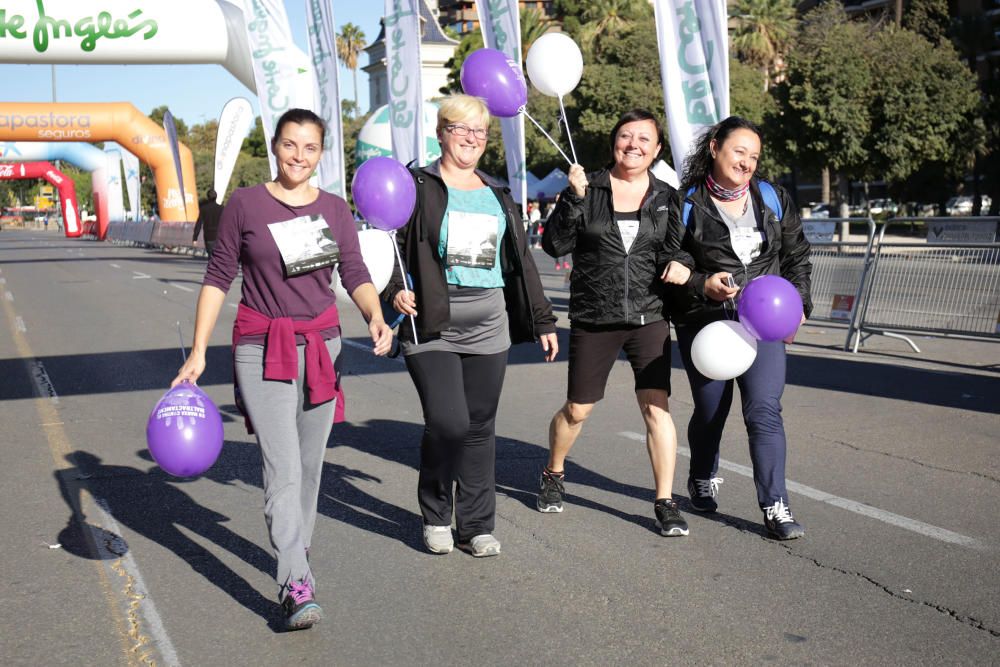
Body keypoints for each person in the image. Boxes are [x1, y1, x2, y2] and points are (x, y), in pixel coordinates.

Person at [171, 109, 393, 630]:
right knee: (283, 467)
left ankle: (298, 554)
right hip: (259, 345)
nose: (299, 156)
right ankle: (294, 583)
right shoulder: (247, 204)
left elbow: (354, 272)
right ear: (275, 147)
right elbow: (218, 275)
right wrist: (199, 350)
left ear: (321, 153)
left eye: (310, 147)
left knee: (311, 467)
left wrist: (375, 314)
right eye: (290, 145)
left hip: (322, 346)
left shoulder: (335, 210)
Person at [384, 94, 559, 558]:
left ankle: (476, 525)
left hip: (489, 322)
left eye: (479, 132)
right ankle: (437, 512)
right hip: (431, 323)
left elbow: (520, 260)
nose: (471, 139)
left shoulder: (496, 193)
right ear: (441, 132)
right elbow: (392, 247)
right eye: (461, 129)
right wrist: (393, 292)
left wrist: (542, 318)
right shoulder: (416, 185)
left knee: (480, 426)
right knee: (448, 421)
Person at [537, 109, 693, 536]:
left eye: (645, 139)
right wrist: (572, 198)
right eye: (626, 136)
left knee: (656, 408)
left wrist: (681, 263)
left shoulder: (666, 197)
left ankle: (664, 500)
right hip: (595, 314)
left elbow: (677, 249)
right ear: (614, 143)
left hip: (649, 315)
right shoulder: (589, 187)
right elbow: (554, 245)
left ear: (657, 149)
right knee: (578, 409)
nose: (634, 145)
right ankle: (554, 471)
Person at [664, 116, 812, 540]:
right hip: (708, 320)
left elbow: (798, 254)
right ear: (714, 148)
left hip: (763, 321)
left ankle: (775, 505)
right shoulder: (686, 202)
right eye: (738, 151)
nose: (747, 162)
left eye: (754, 156)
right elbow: (670, 261)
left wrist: (799, 302)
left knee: (764, 410)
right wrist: (700, 284)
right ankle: (701, 472)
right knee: (712, 410)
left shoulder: (771, 197)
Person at [192, 188, 224, 257]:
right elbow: (227, 223)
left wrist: (195, 238)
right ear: (216, 197)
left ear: (208, 197)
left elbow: (199, 224)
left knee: (211, 255)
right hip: (219, 236)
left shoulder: (204, 209)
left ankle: (211, 267)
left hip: (208, 236)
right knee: (218, 256)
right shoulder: (221, 208)